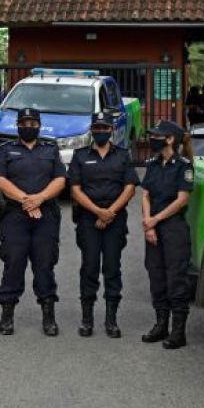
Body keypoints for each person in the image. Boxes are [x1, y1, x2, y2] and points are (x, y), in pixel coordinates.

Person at [0, 107, 66, 336]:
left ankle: (48, 316)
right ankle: (7, 314)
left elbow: (60, 179)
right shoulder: (6, 150)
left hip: (46, 215)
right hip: (15, 216)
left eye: (33, 124)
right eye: (24, 123)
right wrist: (26, 200)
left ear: (39, 126)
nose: (28, 127)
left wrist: (40, 198)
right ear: (18, 125)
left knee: (45, 265)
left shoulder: (51, 149)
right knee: (13, 263)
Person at [68, 112, 139, 338]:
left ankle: (111, 320)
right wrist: (98, 212)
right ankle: (87, 319)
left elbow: (130, 187)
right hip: (88, 219)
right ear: (92, 130)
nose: (100, 131)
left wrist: (109, 213)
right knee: (89, 268)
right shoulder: (80, 156)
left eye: (104, 128)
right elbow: (75, 190)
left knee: (112, 268)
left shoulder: (123, 155)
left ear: (111, 130)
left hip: (115, 219)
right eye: (97, 128)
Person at [140, 120, 195, 349]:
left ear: (170, 139)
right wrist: (149, 224)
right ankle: (161, 325)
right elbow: (145, 195)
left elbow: (182, 200)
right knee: (156, 276)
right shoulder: (152, 164)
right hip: (153, 227)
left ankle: (178, 332)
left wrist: (156, 219)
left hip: (174, 227)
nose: (153, 139)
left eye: (157, 135)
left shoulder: (184, 166)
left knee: (176, 278)